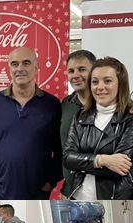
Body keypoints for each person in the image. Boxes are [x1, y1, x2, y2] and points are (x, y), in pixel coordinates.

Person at [0, 46, 62, 200]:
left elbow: (60, 149)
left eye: (26, 63)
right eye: (15, 64)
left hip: (38, 191)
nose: (20, 68)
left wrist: (50, 182)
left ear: (36, 67)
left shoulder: (52, 104)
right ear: (9, 68)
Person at [63, 57, 133, 200]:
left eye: (107, 81)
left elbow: (120, 168)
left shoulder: (131, 118)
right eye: (95, 82)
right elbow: (68, 159)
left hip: (115, 197)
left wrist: (82, 162)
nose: (100, 87)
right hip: (78, 196)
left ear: (121, 84)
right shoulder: (81, 116)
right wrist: (102, 160)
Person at [60, 50, 97, 199]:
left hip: (102, 190)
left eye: (82, 69)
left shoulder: (113, 103)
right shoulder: (65, 104)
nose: (76, 75)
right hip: (70, 190)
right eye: (71, 71)